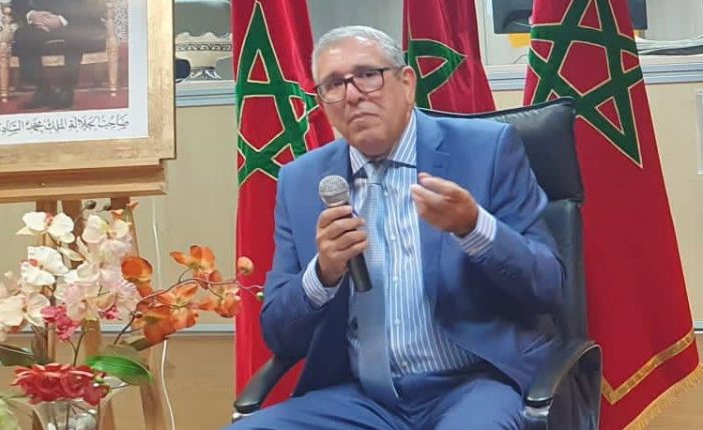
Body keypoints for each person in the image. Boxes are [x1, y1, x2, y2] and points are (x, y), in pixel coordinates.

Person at [228, 25, 565, 430]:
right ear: (322, 103)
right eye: (334, 84)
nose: (352, 95)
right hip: (361, 398)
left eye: (367, 75)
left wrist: (474, 228)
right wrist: (323, 274)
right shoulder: (300, 181)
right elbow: (278, 334)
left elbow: (548, 285)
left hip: (474, 384)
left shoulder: (486, 150)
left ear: (407, 84)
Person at [11, 0, 106, 109]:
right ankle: (42, 88)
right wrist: (32, 15)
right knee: (24, 36)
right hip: (40, 22)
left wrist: (60, 20)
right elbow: (18, 3)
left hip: (77, 22)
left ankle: (67, 89)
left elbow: (92, 7)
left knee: (74, 36)